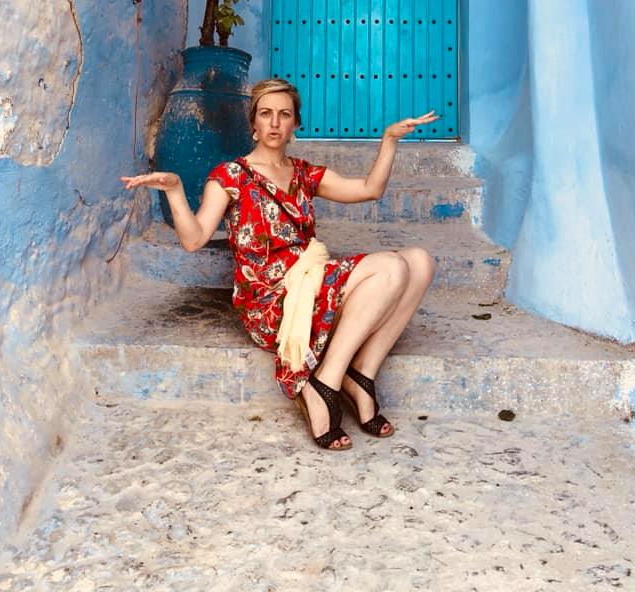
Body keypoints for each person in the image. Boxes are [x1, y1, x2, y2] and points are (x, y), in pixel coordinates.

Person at [121, 78, 437, 452]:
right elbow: (194, 239)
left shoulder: (304, 174)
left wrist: (389, 140)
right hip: (272, 303)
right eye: (266, 114)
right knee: (392, 268)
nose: (274, 123)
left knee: (420, 261)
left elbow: (370, 190)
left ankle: (361, 375)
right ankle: (324, 384)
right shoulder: (231, 177)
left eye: (284, 115)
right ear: (253, 124)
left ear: (295, 125)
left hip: (311, 283)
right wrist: (175, 191)